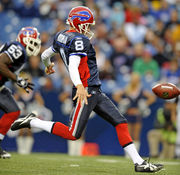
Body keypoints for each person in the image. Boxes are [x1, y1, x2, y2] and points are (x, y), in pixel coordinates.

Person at [11, 6, 163, 172]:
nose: (89, 28)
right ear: (79, 23)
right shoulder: (79, 41)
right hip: (85, 90)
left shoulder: (61, 35)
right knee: (72, 134)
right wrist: (79, 87)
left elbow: (45, 55)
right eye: (88, 25)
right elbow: (75, 65)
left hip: (95, 90)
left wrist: (48, 67)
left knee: (120, 122)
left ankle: (139, 163)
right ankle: (33, 121)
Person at [0, 26, 41, 158]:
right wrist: (17, 79)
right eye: (33, 42)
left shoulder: (19, 50)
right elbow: (0, 63)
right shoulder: (18, 48)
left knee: (13, 111)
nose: (35, 45)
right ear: (25, 40)